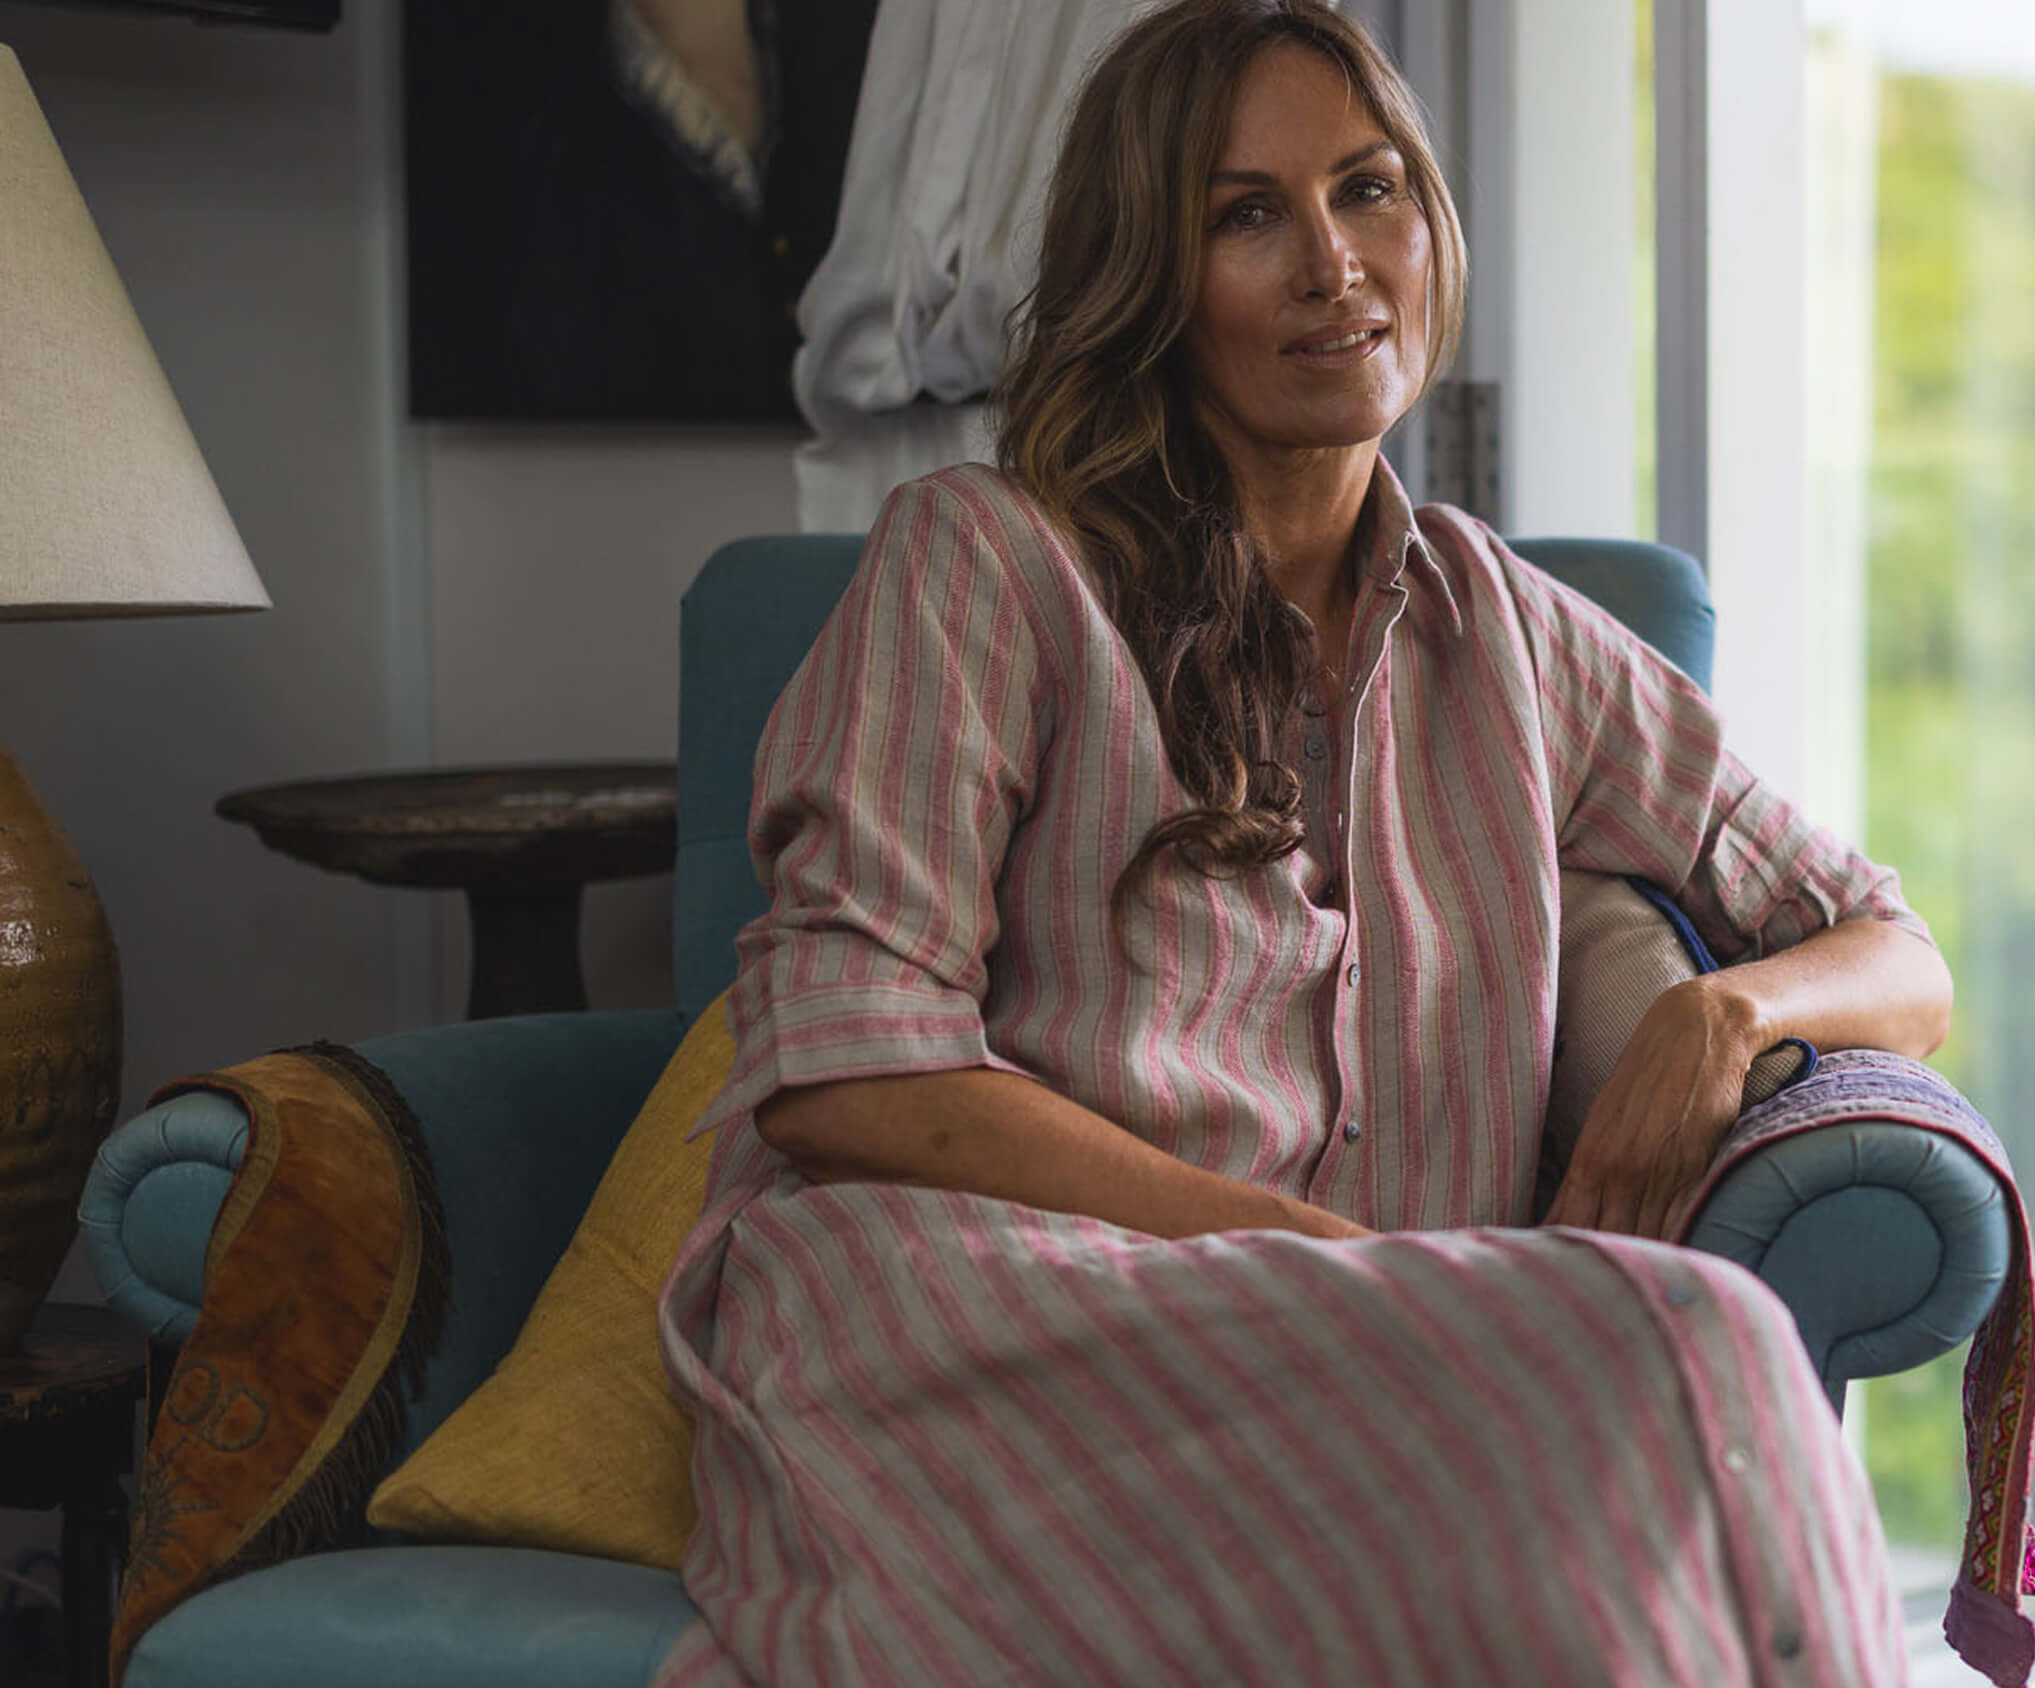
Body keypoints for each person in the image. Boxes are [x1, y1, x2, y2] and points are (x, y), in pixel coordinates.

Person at [647, 3, 1956, 1682]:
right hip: (982, 1317)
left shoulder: (1520, 636)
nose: (1337, 264)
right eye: (1246, 214)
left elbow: (1892, 947)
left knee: (1677, 1378)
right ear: (1151, 281)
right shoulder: (983, 565)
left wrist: (1725, 1016)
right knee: (1683, 1336)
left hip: (1358, 1345)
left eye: (1371, 188)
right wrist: (1288, 1247)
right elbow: (846, 1074)